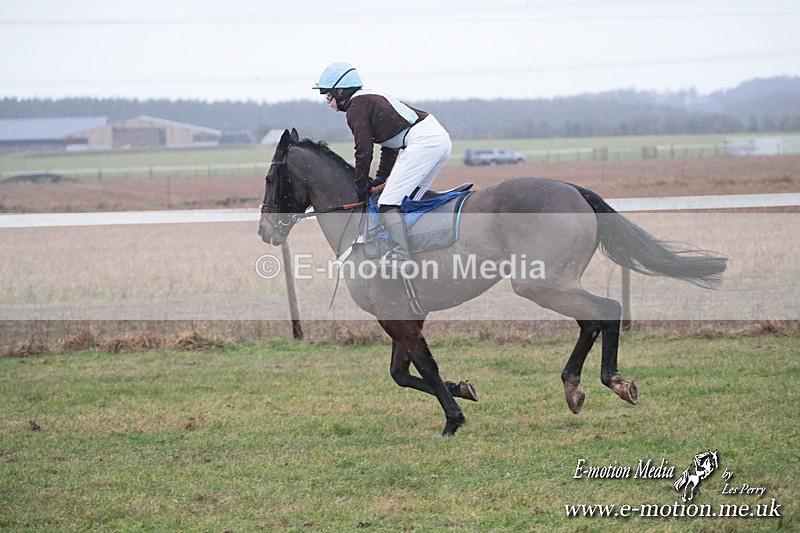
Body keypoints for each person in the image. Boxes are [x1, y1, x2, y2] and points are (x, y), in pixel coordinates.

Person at [313, 62, 452, 275]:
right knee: (409, 201)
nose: (328, 102)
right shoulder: (368, 99)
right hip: (438, 139)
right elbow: (390, 145)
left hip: (424, 142)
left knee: (387, 203)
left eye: (328, 96)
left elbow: (363, 149)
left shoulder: (356, 107)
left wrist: (360, 185)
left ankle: (402, 257)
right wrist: (380, 178)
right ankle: (419, 248)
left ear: (341, 91)